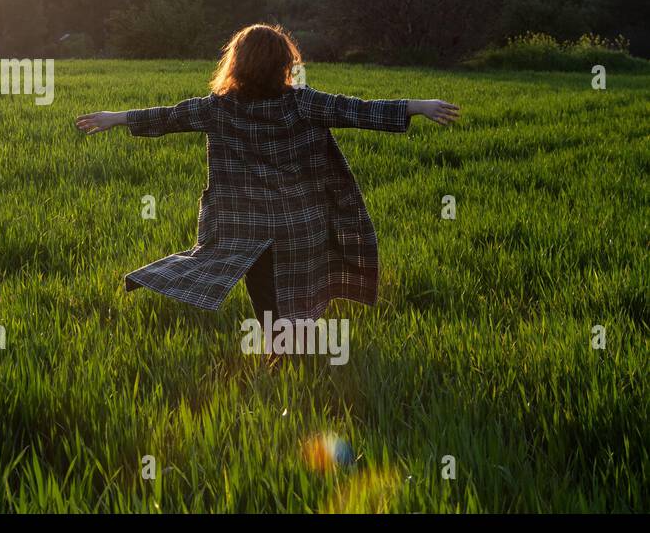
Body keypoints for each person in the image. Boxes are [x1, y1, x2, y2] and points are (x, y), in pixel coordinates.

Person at [74, 24, 459, 331]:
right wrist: (418, 106)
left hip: (245, 231)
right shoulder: (304, 102)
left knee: (268, 305)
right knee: (300, 299)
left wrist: (115, 117)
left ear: (235, 63)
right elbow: (357, 110)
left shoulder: (217, 109)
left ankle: (281, 358)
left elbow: (167, 115)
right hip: (300, 226)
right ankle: (293, 360)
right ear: (284, 64)